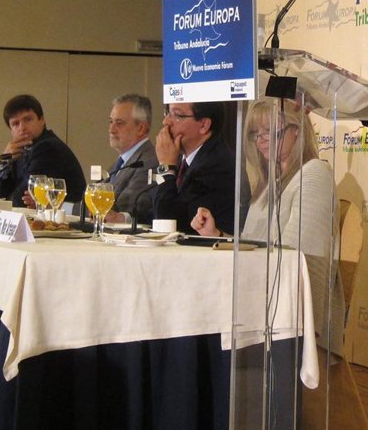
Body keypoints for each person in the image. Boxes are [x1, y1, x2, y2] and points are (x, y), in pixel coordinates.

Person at [192, 98, 343, 353]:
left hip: (297, 316)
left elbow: (298, 257)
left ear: (297, 131)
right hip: (265, 301)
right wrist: (217, 234)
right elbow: (254, 247)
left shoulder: (314, 173)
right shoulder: (267, 184)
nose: (261, 140)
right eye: (256, 133)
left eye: (270, 131)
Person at [152, 101, 236, 235]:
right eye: (167, 112)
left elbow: (169, 223)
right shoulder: (178, 157)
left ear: (204, 125)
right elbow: (153, 209)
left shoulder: (217, 165)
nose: (166, 122)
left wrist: (165, 166)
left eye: (177, 115)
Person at [0, 94, 87, 208]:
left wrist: (1, 202)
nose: (22, 127)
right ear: (10, 130)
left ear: (42, 120)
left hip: (67, 217)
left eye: (28, 119)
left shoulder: (48, 147)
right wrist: (4, 160)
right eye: (15, 124)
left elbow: (23, 198)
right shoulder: (19, 150)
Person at [105, 93, 158, 224]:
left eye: (119, 123)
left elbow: (123, 207)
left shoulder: (149, 161)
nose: (111, 129)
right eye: (111, 121)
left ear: (141, 128)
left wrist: (66, 208)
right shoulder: (119, 164)